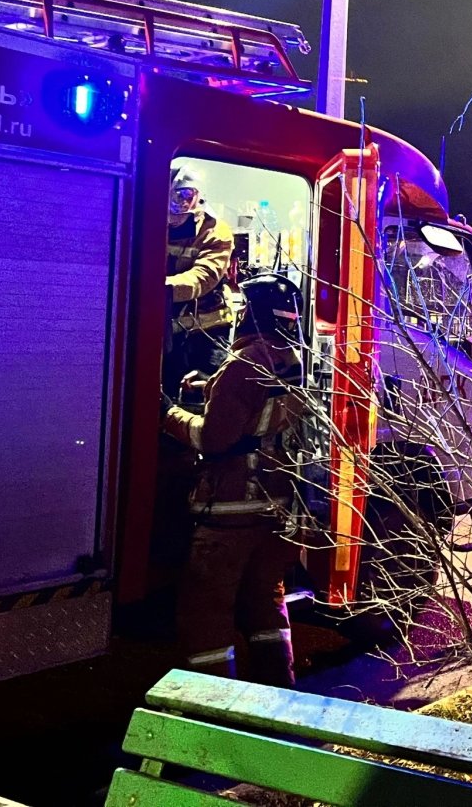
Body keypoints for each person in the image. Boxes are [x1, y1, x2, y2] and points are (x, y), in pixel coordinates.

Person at [164, 273, 307, 687]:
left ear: (255, 314)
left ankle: (213, 702)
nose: (237, 315)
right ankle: (279, 692)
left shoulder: (241, 365)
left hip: (229, 509)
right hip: (273, 505)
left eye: (243, 308)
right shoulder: (288, 357)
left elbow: (214, 438)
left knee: (205, 610)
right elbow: (258, 410)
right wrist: (210, 387)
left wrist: (168, 413)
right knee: (264, 604)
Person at [163, 164, 235, 402]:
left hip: (207, 332)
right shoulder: (152, 223)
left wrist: (157, 288)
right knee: (165, 395)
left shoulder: (215, 231)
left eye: (184, 198)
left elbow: (203, 277)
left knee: (202, 398)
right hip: (168, 329)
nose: (172, 219)